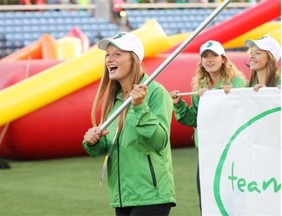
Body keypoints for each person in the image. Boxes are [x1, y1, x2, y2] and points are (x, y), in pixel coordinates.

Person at [82, 32, 176, 216]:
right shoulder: (114, 99)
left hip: (151, 194)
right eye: (108, 54)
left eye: (117, 54)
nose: (110, 59)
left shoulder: (156, 93)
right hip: (123, 195)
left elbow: (160, 141)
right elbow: (113, 143)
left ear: (134, 59)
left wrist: (140, 107)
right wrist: (93, 142)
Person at [169, 40, 247, 213]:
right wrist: (178, 104)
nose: (210, 59)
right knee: (207, 203)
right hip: (207, 153)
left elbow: (243, 116)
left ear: (223, 59)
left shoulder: (237, 83)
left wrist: (223, 98)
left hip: (232, 153)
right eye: (205, 56)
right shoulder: (200, 87)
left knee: (234, 202)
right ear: (201, 61)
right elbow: (193, 120)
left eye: (214, 55)